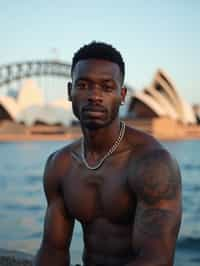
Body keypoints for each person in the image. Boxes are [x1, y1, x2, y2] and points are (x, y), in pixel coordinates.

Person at [34, 42, 182, 266]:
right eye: (83, 85)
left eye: (106, 87)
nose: (95, 96)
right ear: (69, 92)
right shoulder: (60, 164)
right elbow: (53, 251)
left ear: (122, 95)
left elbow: (157, 259)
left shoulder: (152, 163)